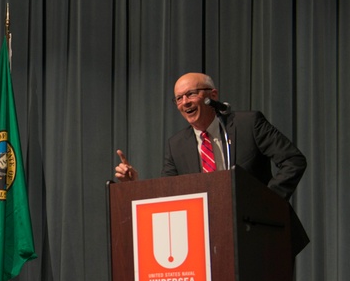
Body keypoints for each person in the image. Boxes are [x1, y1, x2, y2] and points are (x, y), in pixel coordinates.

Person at [114, 72, 306, 200]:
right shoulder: (177, 145)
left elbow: (293, 160)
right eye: (179, 98)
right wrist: (134, 186)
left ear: (213, 95)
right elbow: (169, 194)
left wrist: (266, 202)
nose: (184, 103)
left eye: (191, 94)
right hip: (206, 235)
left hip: (258, 229)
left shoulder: (247, 124)